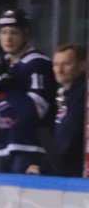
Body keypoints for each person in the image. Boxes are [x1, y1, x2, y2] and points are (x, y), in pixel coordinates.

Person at [0, 9, 56, 174]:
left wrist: (7, 87)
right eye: (4, 32)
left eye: (13, 32)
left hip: (29, 149)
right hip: (2, 148)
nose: (8, 38)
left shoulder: (37, 63)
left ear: (25, 34)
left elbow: (34, 112)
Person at [27, 43, 85, 177]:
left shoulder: (81, 95)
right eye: (56, 64)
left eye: (66, 64)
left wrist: (45, 169)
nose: (59, 70)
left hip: (74, 179)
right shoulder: (69, 95)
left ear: (83, 65)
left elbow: (68, 138)